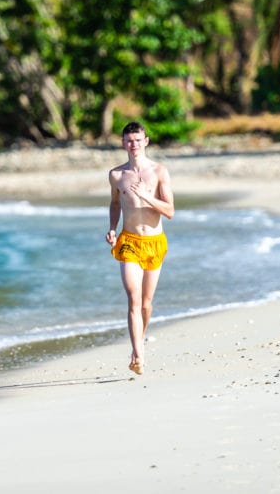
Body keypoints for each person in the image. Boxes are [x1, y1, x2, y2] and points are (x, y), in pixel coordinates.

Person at [105, 121, 175, 375]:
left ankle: (140, 339)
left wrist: (146, 196)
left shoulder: (159, 172)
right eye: (129, 140)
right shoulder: (116, 175)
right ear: (123, 143)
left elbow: (170, 211)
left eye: (137, 140)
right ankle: (138, 354)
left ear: (146, 141)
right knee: (133, 300)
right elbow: (115, 204)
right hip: (129, 242)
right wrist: (112, 228)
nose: (133, 145)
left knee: (146, 304)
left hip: (154, 242)